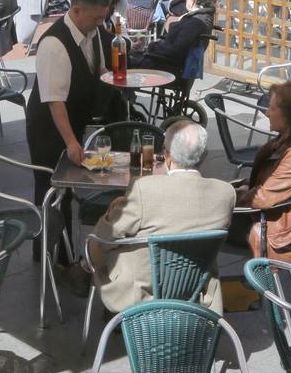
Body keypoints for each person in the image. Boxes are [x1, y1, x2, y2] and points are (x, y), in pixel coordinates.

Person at [76, 121, 235, 309]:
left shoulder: (145, 188)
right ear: (204, 157)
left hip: (143, 290)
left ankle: (81, 269)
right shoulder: (225, 194)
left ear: (166, 156)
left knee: (107, 235)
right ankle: (80, 270)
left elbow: (106, 236)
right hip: (195, 289)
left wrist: (111, 213)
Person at [24, 0, 123, 259]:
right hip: (47, 127)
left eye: (103, 18)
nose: (99, 24)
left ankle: (63, 256)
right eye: (95, 18)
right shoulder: (54, 44)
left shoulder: (93, 33)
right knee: (51, 189)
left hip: (74, 119)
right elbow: (55, 101)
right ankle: (50, 256)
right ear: (76, 10)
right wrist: (70, 142)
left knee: (66, 191)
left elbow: (100, 69)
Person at [233, 80, 291, 265]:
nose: (266, 113)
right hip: (258, 214)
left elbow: (261, 199)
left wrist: (223, 197)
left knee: (192, 219)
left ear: (290, 115)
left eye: (272, 108)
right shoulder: (287, 140)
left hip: (265, 224)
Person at [136, 0, 216, 76]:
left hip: (168, 67)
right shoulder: (205, 17)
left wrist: (151, 47)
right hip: (176, 65)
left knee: (126, 61)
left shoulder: (194, 23)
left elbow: (175, 50)